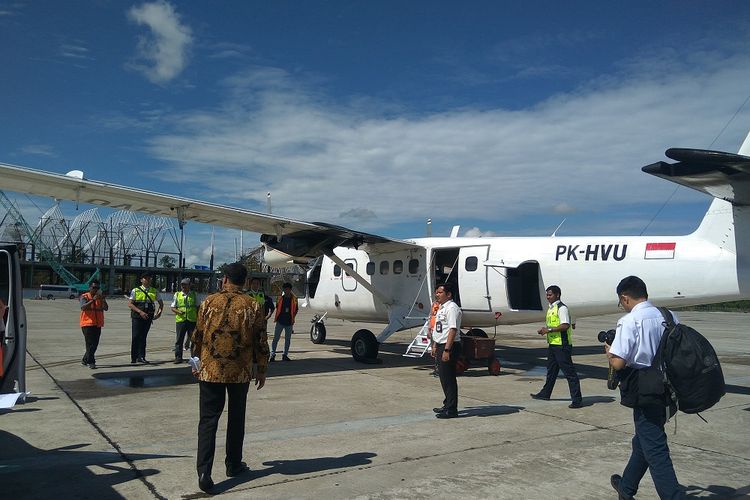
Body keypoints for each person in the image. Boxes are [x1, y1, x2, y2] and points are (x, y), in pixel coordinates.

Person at [191, 262, 269, 494]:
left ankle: (204, 471)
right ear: (244, 281)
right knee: (236, 418)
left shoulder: (208, 302)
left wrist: (196, 362)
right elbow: (260, 340)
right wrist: (262, 369)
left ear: (225, 279)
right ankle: (233, 464)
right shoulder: (252, 306)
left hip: (211, 370)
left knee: (207, 421)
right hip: (239, 371)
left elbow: (197, 335)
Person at [606, 276, 684, 500]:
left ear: (625, 297)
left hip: (644, 390)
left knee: (655, 449)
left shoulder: (629, 321)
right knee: (643, 441)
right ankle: (626, 488)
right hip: (669, 388)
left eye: (620, 302)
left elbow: (619, 363)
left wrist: (608, 351)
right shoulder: (668, 316)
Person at [531, 285, 583, 408]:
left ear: (557, 295)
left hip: (562, 346)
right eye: (547, 295)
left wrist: (548, 330)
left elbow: (565, 325)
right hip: (553, 344)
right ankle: (545, 393)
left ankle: (577, 399)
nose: (548, 297)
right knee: (551, 371)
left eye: (550, 295)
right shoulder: (551, 308)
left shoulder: (561, 308)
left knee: (569, 373)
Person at [430, 283, 462, 419]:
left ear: (448, 294)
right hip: (441, 344)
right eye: (436, 292)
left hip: (449, 346)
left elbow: (452, 330)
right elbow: (440, 329)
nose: (437, 294)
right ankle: (447, 404)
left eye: (440, 292)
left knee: (448, 378)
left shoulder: (452, 308)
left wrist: (447, 350)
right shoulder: (442, 308)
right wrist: (435, 345)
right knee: (443, 377)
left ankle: (451, 409)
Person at [127, 272, 163, 364]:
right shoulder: (135, 290)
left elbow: (161, 304)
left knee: (143, 337)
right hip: (137, 317)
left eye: (149, 278)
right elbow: (130, 304)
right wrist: (140, 312)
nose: (148, 280)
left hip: (148, 317)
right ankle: (133, 357)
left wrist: (159, 313)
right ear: (141, 280)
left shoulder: (154, 291)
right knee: (135, 336)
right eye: (145, 278)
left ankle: (141, 356)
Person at [79, 280, 108, 369]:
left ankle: (85, 359)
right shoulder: (84, 296)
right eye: (94, 287)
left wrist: (102, 299)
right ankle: (91, 361)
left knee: (95, 344)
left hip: (97, 324)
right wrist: (93, 300)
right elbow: (83, 307)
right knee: (90, 343)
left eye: (98, 288)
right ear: (90, 288)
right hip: (87, 323)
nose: (96, 289)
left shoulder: (100, 298)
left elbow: (106, 308)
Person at [171, 278, 199, 364]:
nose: (183, 286)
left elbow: (198, 307)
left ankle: (194, 358)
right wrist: (179, 312)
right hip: (181, 320)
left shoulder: (194, 294)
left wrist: (199, 319)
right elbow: (173, 307)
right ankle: (178, 357)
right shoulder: (177, 294)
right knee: (179, 340)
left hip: (192, 320)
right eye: (182, 284)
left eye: (185, 284)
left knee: (193, 340)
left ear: (189, 285)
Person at [271, 282, 297, 362]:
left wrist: (292, 318)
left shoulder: (294, 299)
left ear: (290, 290)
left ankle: (285, 354)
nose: (287, 291)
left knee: (287, 339)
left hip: (289, 322)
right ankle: (273, 354)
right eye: (285, 289)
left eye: (288, 289)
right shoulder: (280, 298)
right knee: (276, 338)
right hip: (280, 321)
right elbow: (277, 307)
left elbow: (296, 310)